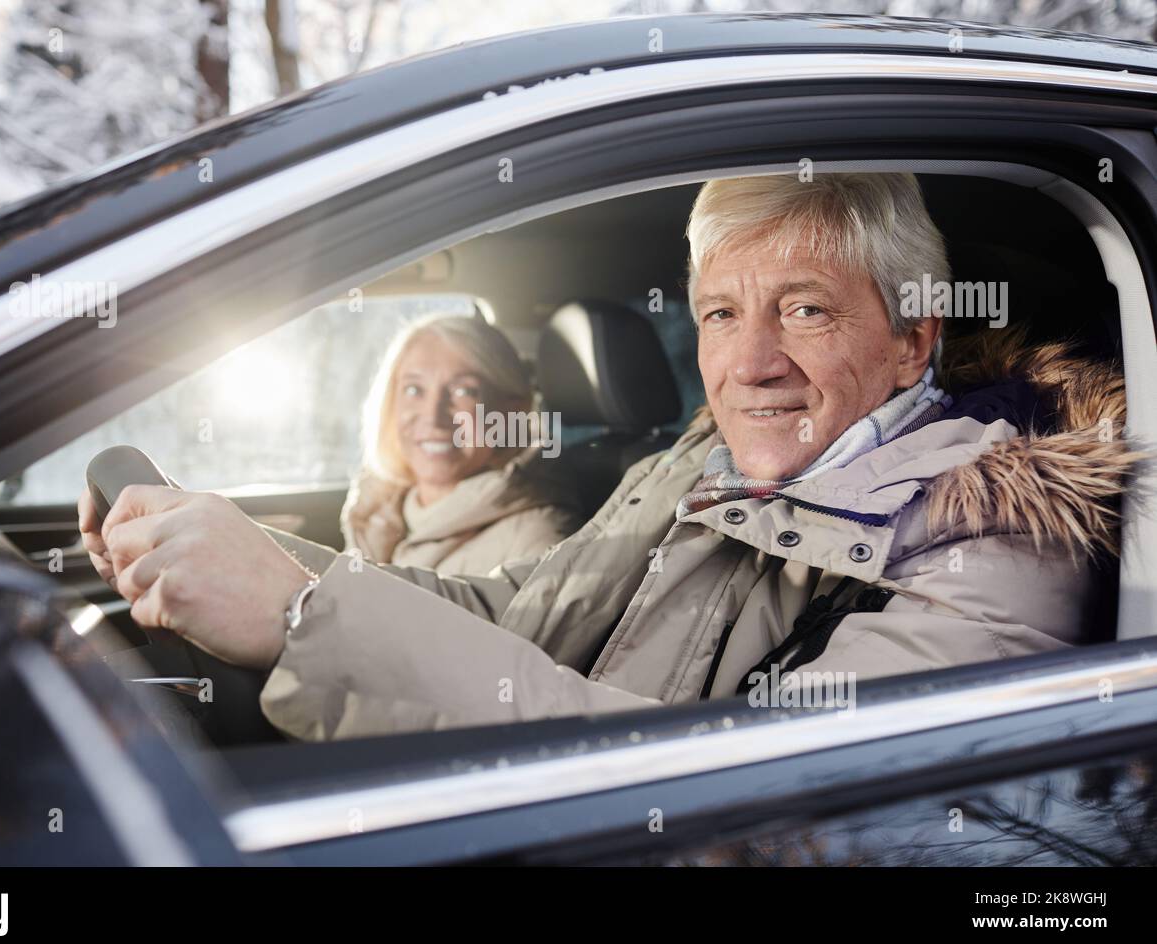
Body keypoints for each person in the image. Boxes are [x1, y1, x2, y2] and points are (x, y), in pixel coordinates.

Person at [79, 172, 1146, 741]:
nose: (751, 362)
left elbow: (747, 795)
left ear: (914, 337)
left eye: (805, 308)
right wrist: (235, 547)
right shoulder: (694, 470)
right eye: (720, 313)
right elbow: (511, 614)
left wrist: (301, 618)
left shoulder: (998, 539)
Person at [341, 313, 578, 576]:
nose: (433, 417)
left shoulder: (538, 540)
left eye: (464, 391)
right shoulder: (376, 510)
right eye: (414, 390)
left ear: (513, 410)